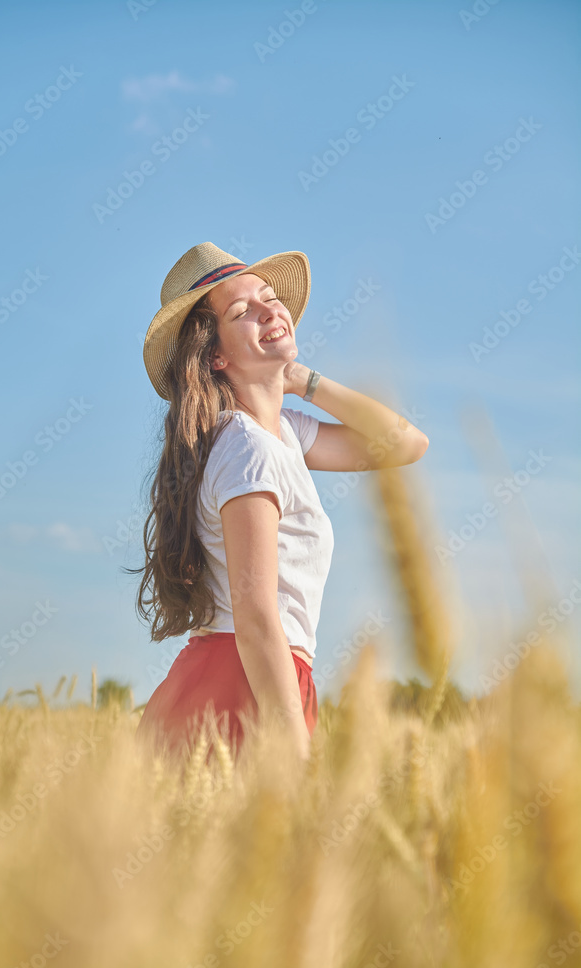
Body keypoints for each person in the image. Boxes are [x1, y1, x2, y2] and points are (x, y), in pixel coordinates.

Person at [130, 242, 428, 763]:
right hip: (246, 687)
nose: (271, 310)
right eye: (243, 311)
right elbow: (257, 614)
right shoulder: (247, 446)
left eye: (271, 298)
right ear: (216, 355)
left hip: (259, 676)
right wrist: (292, 746)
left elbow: (405, 444)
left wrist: (303, 381)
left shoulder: (284, 434)